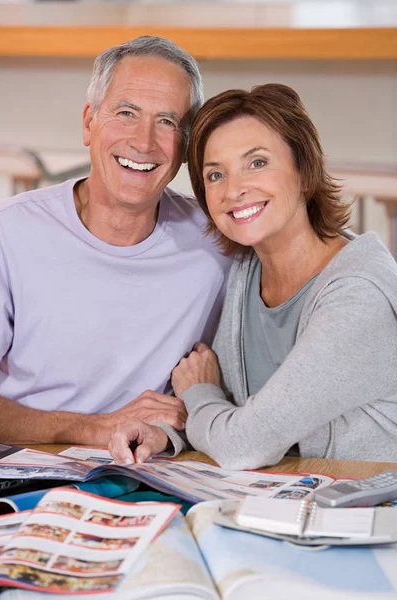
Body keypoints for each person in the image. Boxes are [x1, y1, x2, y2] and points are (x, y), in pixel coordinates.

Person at [109, 83, 397, 468]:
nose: (235, 190)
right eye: (215, 175)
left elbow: (243, 443)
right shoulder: (247, 268)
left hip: (364, 510)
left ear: (303, 170)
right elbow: (239, 409)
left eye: (257, 163)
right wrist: (168, 435)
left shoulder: (358, 294)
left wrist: (197, 392)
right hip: (280, 496)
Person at [0, 36, 230, 448]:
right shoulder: (10, 233)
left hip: (151, 473)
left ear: (187, 145)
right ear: (89, 123)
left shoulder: (216, 243)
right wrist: (93, 428)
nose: (144, 142)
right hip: (22, 467)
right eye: (126, 113)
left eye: (167, 122)